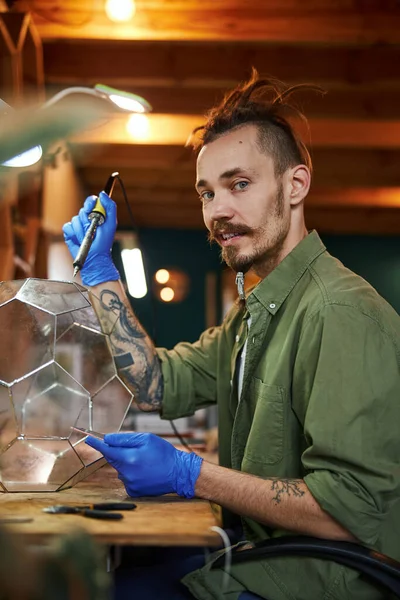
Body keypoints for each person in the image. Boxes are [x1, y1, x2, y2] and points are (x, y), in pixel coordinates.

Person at [63, 71, 400, 600]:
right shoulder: (253, 316)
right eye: (206, 193)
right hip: (257, 553)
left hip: (317, 582)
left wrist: (187, 473)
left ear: (295, 186)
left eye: (239, 184)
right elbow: (155, 386)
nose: (218, 211)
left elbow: (350, 512)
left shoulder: (339, 311)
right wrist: (101, 274)